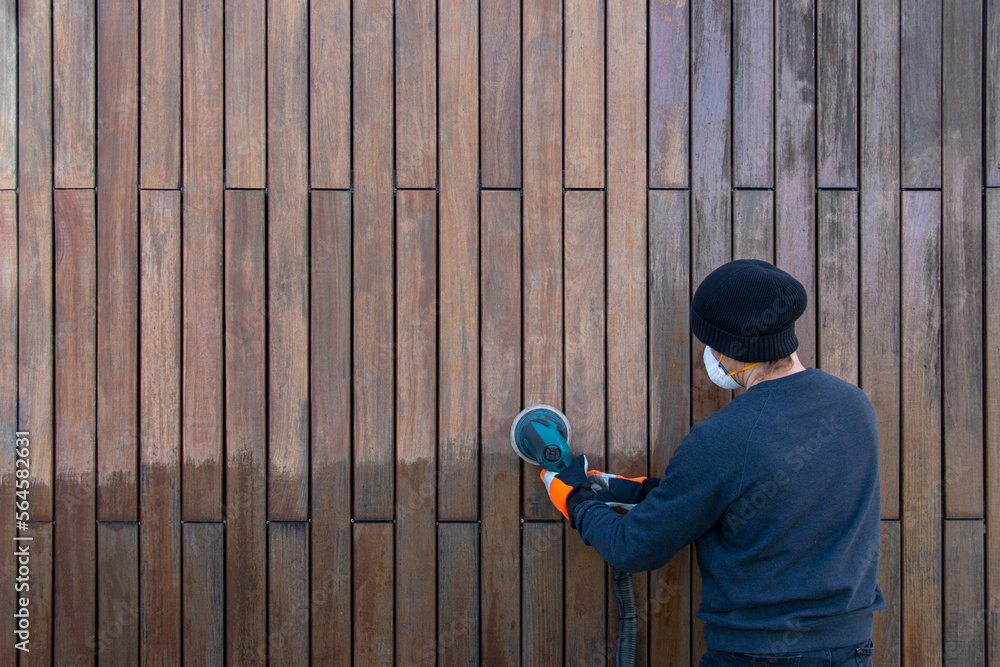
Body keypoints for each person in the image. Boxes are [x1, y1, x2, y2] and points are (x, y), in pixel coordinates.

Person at [541, 259, 884, 666]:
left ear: (729, 349)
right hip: (851, 648)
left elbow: (633, 548)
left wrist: (577, 501)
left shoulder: (723, 438)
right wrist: (635, 490)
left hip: (758, 655)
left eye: (710, 344)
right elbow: (762, 497)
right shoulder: (854, 406)